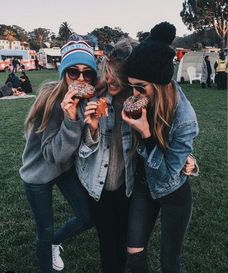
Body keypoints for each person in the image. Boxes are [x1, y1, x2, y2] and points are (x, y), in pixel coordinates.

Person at [76, 38, 197, 273]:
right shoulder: (113, 97)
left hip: (151, 188)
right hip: (120, 186)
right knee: (122, 251)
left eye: (115, 76)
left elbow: (170, 152)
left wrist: (185, 157)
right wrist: (91, 128)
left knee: (160, 258)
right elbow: (83, 151)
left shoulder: (167, 111)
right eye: (106, 74)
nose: (109, 80)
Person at [121, 22, 199, 273]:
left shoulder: (185, 119)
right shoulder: (141, 97)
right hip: (144, 187)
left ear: (160, 84)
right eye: (131, 85)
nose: (133, 93)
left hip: (173, 193)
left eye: (140, 88)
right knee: (133, 252)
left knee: (169, 262)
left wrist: (145, 134)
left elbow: (166, 174)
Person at [19, 38, 97, 273]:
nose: (81, 79)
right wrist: (71, 120)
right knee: (44, 230)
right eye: (74, 72)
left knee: (88, 217)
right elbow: (54, 155)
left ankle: (56, 241)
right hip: (38, 174)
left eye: (87, 73)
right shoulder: (49, 100)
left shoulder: (86, 99)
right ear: (64, 73)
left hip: (64, 170)